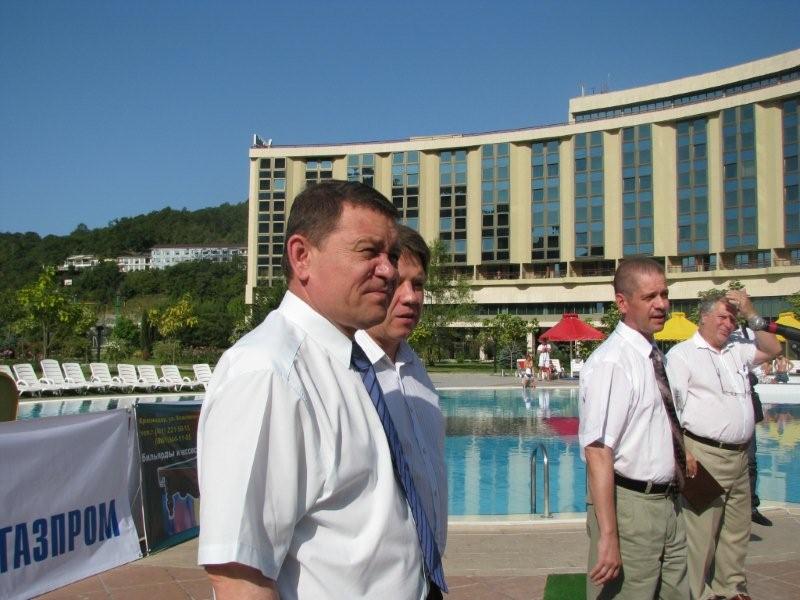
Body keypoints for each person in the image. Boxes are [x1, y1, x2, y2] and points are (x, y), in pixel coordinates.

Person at [197, 180, 437, 600]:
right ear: (302, 256)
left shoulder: (348, 363)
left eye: (391, 254)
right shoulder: (269, 374)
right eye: (369, 252)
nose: (388, 270)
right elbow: (239, 575)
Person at [579, 257, 687, 599]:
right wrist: (609, 535)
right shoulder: (612, 362)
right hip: (631, 508)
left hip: (669, 503)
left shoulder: (655, 355)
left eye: (664, 294)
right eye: (650, 297)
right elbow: (598, 452)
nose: (662, 304)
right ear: (622, 303)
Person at [667, 289, 781, 600]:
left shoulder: (736, 350)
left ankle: (731, 589)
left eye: (732, 318)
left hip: (739, 455)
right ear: (703, 317)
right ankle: (697, 593)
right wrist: (685, 452)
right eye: (722, 317)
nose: (728, 324)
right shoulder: (682, 355)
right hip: (704, 453)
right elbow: (672, 409)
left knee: (736, 529)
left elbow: (773, 348)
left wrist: (750, 311)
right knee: (701, 531)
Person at [354, 225, 448, 572]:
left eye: (418, 284)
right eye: (396, 284)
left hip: (425, 573)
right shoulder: (348, 371)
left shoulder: (414, 368)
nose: (411, 297)